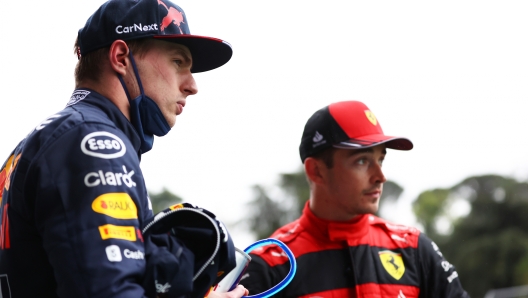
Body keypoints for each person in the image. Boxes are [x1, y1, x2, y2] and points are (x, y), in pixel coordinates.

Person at [0, 0, 247, 297]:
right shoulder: (93, 142)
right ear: (121, 57)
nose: (192, 85)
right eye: (178, 62)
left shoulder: (46, 139)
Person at [240, 101, 469, 297]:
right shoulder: (270, 264)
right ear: (316, 171)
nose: (380, 176)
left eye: (381, 160)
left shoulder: (415, 249)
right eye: (362, 161)